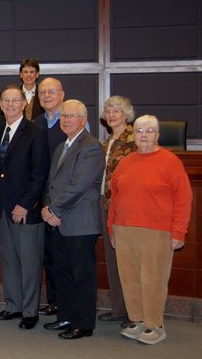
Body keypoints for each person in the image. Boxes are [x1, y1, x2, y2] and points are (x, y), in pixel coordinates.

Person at [108, 115, 192, 345]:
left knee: (152, 279)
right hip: (124, 229)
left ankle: (155, 324)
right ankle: (137, 319)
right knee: (130, 278)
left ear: (157, 135)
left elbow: (184, 199)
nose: (144, 135)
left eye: (149, 131)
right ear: (133, 135)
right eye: (140, 131)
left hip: (156, 231)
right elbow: (115, 197)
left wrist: (178, 233)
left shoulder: (170, 161)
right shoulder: (126, 162)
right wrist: (112, 229)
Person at [41, 99, 104, 340]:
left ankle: (83, 323)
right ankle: (65, 317)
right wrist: (47, 208)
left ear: (83, 119)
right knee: (62, 273)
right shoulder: (61, 146)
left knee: (82, 275)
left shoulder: (91, 147)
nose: (66, 120)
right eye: (63, 116)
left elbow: (78, 186)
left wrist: (54, 210)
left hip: (80, 223)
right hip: (58, 221)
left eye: (71, 116)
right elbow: (51, 183)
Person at [0, 86, 49, 330]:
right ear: (1, 105)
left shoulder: (35, 132)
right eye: (6, 100)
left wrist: (25, 204)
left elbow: (40, 173)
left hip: (25, 210)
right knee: (10, 261)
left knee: (29, 262)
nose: (11, 104)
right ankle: (13, 305)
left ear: (24, 104)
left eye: (16, 100)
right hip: (2, 207)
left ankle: (29, 311)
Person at [96, 96, 137, 327]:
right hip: (106, 205)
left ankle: (135, 313)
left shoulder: (134, 140)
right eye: (109, 111)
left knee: (129, 261)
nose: (112, 115)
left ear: (127, 114)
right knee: (113, 259)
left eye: (117, 111)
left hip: (125, 207)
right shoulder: (107, 142)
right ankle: (119, 308)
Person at [32, 77, 67, 317]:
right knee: (49, 256)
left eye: (51, 91)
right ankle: (54, 301)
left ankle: (66, 304)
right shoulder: (36, 123)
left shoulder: (71, 120)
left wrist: (58, 203)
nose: (46, 96)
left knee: (65, 256)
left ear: (62, 94)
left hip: (65, 202)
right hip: (41, 199)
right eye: (42, 92)